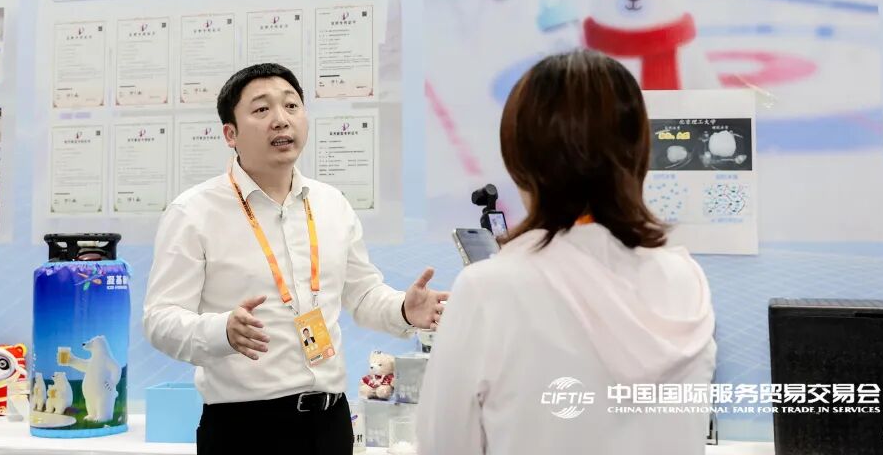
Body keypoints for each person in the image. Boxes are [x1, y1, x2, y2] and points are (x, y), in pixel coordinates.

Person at [417, 49, 716, 455]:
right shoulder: (684, 280)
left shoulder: (489, 289)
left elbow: (443, 445)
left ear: (520, 157)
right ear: (639, 151)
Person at [143, 63, 448, 455]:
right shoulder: (193, 212)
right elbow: (160, 318)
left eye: (291, 105)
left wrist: (404, 309)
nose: (280, 119)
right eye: (261, 109)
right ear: (230, 134)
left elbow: (363, 294)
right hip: (245, 430)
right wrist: (222, 332)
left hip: (331, 423)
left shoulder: (331, 204)